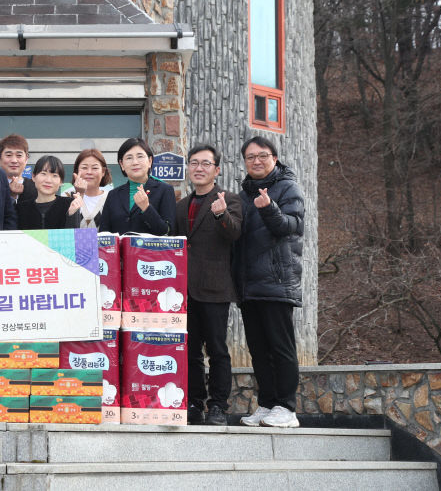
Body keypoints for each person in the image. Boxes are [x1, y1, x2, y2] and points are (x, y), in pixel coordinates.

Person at [234, 136, 304, 429]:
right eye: (250, 157)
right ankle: (267, 404)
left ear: (274, 158)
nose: (257, 161)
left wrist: (269, 208)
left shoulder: (288, 187)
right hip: (250, 285)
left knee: (281, 347)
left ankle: (287, 408)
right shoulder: (243, 193)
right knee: (259, 349)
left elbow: (292, 225)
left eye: (262, 155)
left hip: (276, 281)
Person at [175, 143, 242, 426]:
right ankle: (193, 403)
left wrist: (220, 214)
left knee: (216, 350)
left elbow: (235, 233)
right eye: (194, 163)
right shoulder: (180, 205)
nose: (199, 168)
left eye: (205, 163)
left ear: (216, 169)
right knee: (189, 351)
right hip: (183, 291)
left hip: (215, 288)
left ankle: (217, 406)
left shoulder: (230, 200)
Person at [99, 137, 176, 235]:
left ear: (150, 161)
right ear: (122, 164)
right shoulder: (113, 195)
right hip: (120, 250)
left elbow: (168, 232)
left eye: (140, 156)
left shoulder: (164, 190)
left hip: (150, 250)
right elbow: (104, 234)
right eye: (129, 158)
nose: (135, 162)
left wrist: (147, 208)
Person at [16, 155, 79, 229]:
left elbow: (74, 237)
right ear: (33, 177)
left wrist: (71, 215)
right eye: (43, 174)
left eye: (55, 175)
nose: (48, 180)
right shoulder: (21, 208)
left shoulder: (70, 205)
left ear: (61, 182)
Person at [67, 148, 112, 229]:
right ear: (77, 171)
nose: (89, 172)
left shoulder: (112, 198)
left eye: (95, 168)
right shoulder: (67, 198)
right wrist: (79, 194)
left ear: (103, 172)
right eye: (84, 168)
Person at [0, 133, 37, 204]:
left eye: (19, 155)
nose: (14, 160)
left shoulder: (36, 188)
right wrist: (11, 196)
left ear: (26, 159)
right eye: (9, 155)